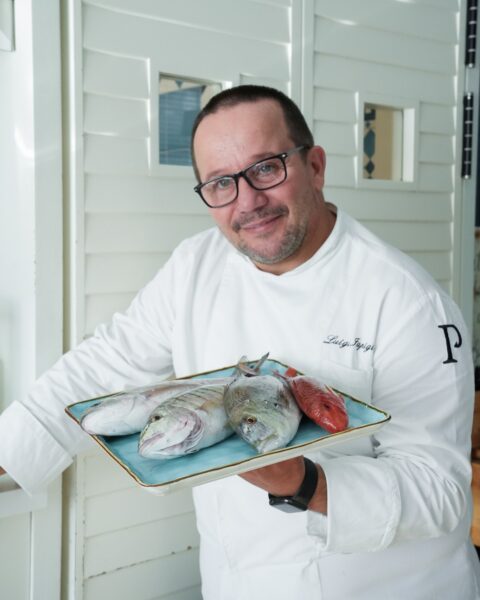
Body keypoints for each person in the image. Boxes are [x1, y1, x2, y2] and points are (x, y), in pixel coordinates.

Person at [0, 84, 479, 599]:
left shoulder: (406, 300)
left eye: (267, 168)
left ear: (315, 166)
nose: (248, 201)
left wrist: (305, 484)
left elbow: (441, 491)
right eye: (220, 182)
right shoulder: (195, 265)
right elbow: (102, 367)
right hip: (237, 580)